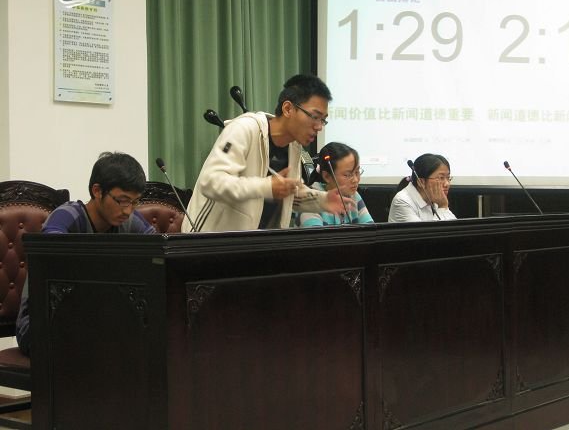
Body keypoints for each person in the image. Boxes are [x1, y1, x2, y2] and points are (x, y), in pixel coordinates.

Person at [15, 152, 155, 355]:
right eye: (122, 201)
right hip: (40, 324)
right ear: (97, 191)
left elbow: (157, 249)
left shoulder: (130, 221)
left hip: (96, 322)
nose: (128, 210)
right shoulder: (67, 216)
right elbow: (49, 260)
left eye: (135, 202)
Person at [182, 74, 353, 232]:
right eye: (315, 116)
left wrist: (323, 200)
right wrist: (266, 187)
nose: (319, 127)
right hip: (207, 242)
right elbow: (211, 182)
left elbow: (288, 193)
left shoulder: (293, 146)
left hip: (253, 244)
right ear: (288, 109)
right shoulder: (244, 129)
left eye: (323, 120)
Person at [296, 142, 374, 226]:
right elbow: (316, 234)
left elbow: (370, 229)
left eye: (357, 172)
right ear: (327, 176)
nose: (355, 180)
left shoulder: (354, 196)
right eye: (347, 175)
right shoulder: (311, 200)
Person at [388, 153, 457, 222]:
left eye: (448, 177)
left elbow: (455, 226)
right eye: (441, 178)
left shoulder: (435, 199)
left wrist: (442, 207)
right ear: (421, 182)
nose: (447, 184)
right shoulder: (402, 201)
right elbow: (429, 229)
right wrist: (442, 207)